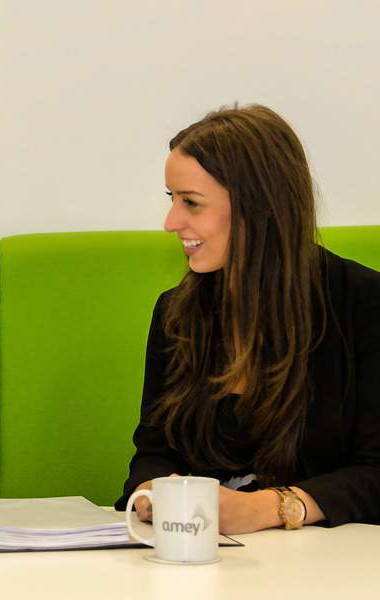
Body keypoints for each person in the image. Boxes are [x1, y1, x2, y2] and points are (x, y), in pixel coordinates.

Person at [114, 104, 380, 534]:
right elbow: (153, 450)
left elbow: (375, 472)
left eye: (192, 203)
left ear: (261, 207)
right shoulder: (175, 312)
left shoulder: (363, 303)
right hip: (201, 556)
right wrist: (154, 491)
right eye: (172, 199)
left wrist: (266, 509)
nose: (171, 222)